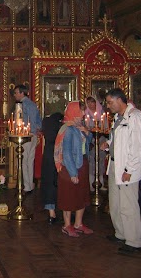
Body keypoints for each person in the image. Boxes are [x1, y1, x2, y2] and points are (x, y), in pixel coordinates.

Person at [102, 88, 141, 254]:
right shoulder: (118, 117)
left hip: (127, 168)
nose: (108, 106)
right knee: (115, 203)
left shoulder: (134, 117)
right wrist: (108, 145)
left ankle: (133, 241)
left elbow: (136, 147)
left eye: (110, 102)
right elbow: (117, 139)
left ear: (119, 100)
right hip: (115, 165)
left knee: (128, 205)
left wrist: (129, 170)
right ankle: (121, 233)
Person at [54, 101, 93, 237]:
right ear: (74, 111)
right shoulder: (68, 129)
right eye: (81, 111)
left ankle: (78, 223)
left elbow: (88, 143)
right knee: (69, 196)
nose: (84, 113)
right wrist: (72, 172)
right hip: (69, 167)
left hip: (81, 163)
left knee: (81, 194)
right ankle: (67, 225)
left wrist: (87, 133)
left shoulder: (79, 126)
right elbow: (67, 153)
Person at [13, 84, 42, 194]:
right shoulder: (33, 105)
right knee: (30, 161)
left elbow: (19, 122)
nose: (15, 95)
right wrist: (36, 129)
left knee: (23, 161)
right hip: (33, 135)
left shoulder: (21, 105)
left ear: (21, 93)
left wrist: (16, 130)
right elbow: (39, 121)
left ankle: (26, 186)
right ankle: (29, 184)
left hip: (25, 136)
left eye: (16, 92)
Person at [40, 112, 64, 224]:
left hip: (48, 154)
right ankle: (64, 211)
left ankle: (51, 213)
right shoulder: (62, 127)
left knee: (49, 182)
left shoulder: (47, 123)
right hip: (58, 154)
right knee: (58, 182)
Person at [84, 96, 107, 191]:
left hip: (100, 138)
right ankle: (91, 183)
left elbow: (105, 126)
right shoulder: (85, 114)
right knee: (91, 160)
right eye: (88, 103)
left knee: (100, 160)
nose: (90, 104)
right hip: (90, 139)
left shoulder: (101, 112)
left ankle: (100, 182)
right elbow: (85, 127)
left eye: (92, 102)